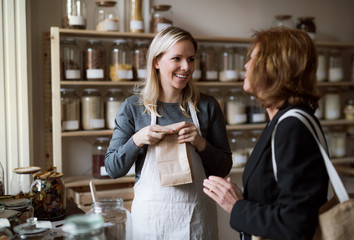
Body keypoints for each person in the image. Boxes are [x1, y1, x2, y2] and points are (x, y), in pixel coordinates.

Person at [105, 26, 232, 239]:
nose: (186, 67)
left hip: (197, 222)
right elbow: (112, 168)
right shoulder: (133, 108)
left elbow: (224, 167)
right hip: (151, 224)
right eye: (177, 59)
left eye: (191, 59)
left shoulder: (208, 106)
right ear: (156, 61)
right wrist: (137, 139)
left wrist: (201, 143)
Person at [203, 27, 329, 240]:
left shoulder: (292, 128)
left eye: (252, 58)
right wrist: (244, 200)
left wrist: (236, 207)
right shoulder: (280, 121)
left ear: (273, 68)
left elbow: (296, 224)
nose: (245, 65)